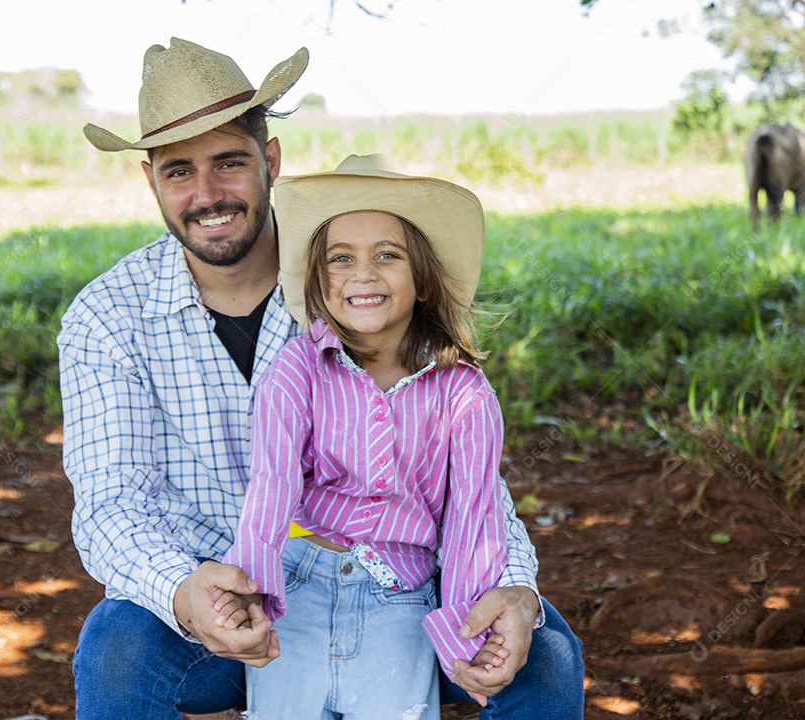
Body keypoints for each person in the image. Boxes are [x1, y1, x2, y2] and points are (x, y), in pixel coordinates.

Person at [58, 36, 584, 720]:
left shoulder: (356, 288)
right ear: (150, 180)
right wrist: (184, 591)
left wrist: (516, 588)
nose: (207, 194)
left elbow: (469, 478)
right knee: (116, 648)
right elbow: (110, 501)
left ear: (270, 160)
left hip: (398, 589)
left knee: (546, 656)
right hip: (221, 600)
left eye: (229, 163)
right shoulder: (108, 316)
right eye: (179, 171)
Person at [217, 153, 509, 720]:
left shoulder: (465, 393)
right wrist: (251, 589)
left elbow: (473, 517)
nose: (364, 274)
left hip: (399, 598)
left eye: (388, 255)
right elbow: (271, 487)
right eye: (341, 258)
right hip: (299, 584)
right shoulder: (297, 370)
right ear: (319, 280)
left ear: (422, 280)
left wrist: (465, 629)